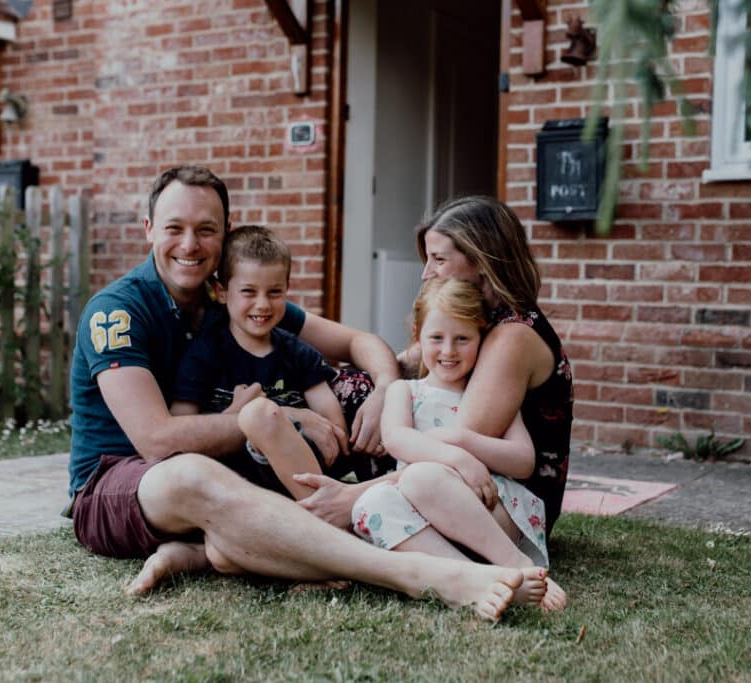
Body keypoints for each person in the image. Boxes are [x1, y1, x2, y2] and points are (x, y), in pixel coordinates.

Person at [66, 166, 531, 621]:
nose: (190, 244)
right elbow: (156, 443)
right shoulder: (118, 311)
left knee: (334, 404)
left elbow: (356, 343)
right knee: (189, 473)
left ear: (226, 233)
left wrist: (387, 388)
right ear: (149, 229)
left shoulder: (234, 299)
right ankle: (414, 573)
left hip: (222, 475)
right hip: (117, 482)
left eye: (206, 229)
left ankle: (207, 553)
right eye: (174, 228)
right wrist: (290, 416)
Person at [292, 196, 573, 592]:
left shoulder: (512, 336)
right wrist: (385, 387)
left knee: (376, 472)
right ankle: (291, 496)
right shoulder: (470, 322)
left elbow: (453, 456)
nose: (426, 273)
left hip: (499, 496)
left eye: (438, 260)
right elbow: (401, 362)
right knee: (352, 387)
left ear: (481, 260)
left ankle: (317, 515)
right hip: (445, 480)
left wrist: (351, 497)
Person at [350, 277, 565, 609]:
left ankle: (518, 566)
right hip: (426, 520)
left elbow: (524, 461)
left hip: (486, 511)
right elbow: (395, 438)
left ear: (480, 338)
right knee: (369, 504)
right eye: (437, 338)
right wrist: (458, 458)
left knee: (421, 477)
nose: (448, 351)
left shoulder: (486, 393)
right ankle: (471, 578)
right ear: (417, 337)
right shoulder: (405, 391)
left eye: (462, 339)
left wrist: (462, 440)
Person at [169, 225, 347, 500]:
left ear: (287, 289)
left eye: (274, 292)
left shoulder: (297, 352)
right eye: (249, 292)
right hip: (231, 483)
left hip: (295, 476)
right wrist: (236, 415)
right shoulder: (204, 354)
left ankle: (319, 515)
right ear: (222, 291)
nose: (263, 304)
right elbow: (182, 427)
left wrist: (318, 437)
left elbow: (331, 421)